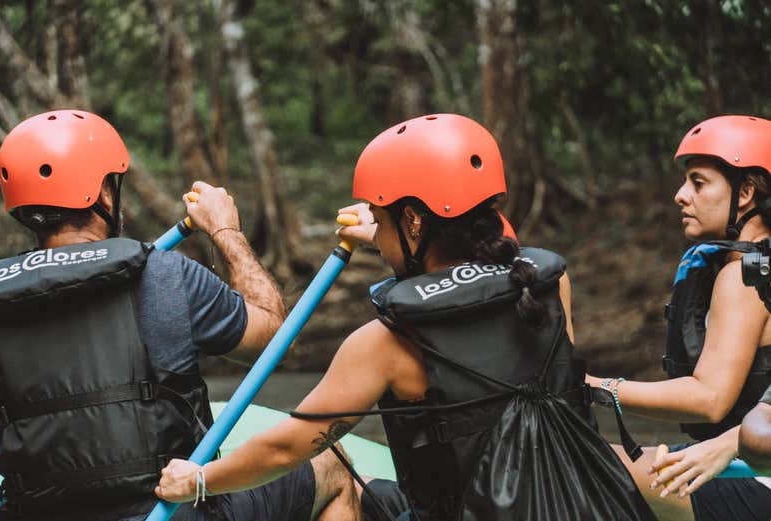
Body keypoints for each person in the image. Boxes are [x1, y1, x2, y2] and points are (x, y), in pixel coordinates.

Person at [155, 114, 657, 521]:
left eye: (384, 212)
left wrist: (198, 480)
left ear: (415, 221)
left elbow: (287, 449)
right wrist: (392, 233)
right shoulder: (548, 285)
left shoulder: (385, 344)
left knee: (353, 484)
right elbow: (487, 274)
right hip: (579, 504)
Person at [0, 110, 360, 521]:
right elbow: (275, 338)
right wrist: (225, 230)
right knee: (332, 463)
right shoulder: (164, 275)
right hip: (164, 511)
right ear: (105, 194)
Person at [585, 115, 771, 521]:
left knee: (579, 467)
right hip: (737, 460)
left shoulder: (744, 278)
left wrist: (597, 387)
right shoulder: (756, 264)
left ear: (746, 193)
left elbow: (709, 400)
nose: (680, 195)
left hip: (756, 480)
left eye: (698, 182)